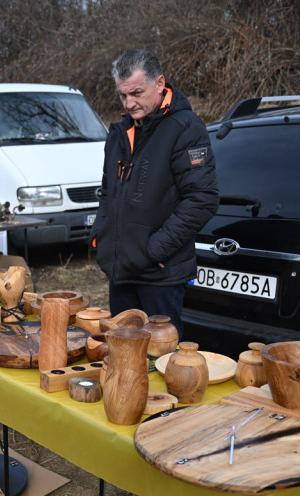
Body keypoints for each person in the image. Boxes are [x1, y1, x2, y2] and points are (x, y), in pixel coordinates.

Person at [90, 48, 218, 336]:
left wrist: (154, 250)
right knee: (123, 358)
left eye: (137, 92)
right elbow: (108, 193)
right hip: (120, 272)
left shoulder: (186, 129)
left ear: (159, 84)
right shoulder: (120, 133)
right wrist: (101, 236)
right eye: (123, 95)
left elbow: (202, 199)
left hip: (160, 275)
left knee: (160, 362)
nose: (129, 103)